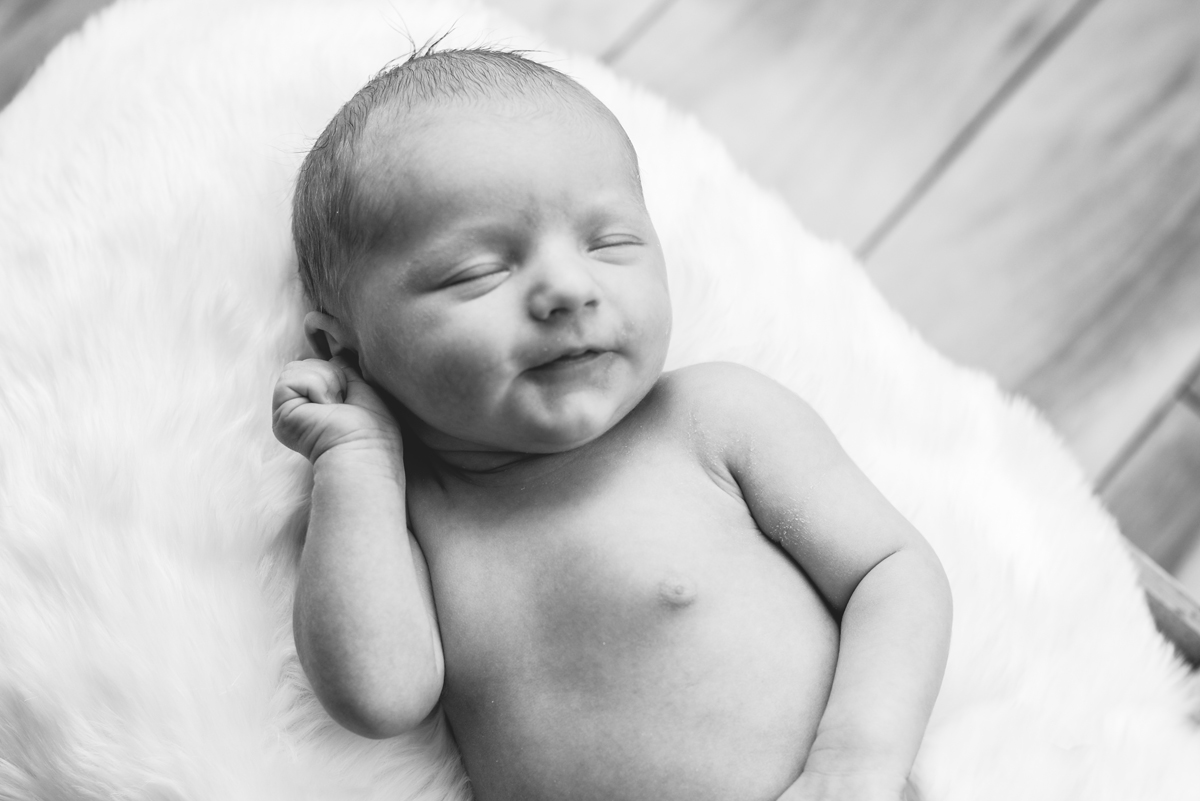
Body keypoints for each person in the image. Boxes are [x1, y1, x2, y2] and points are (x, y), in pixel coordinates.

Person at [271, 46, 952, 801]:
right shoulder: (406, 513)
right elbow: (378, 696)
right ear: (344, 348)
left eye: (609, 242)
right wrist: (357, 463)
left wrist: (856, 760)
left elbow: (892, 571)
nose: (567, 286)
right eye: (478, 270)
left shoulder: (713, 419)